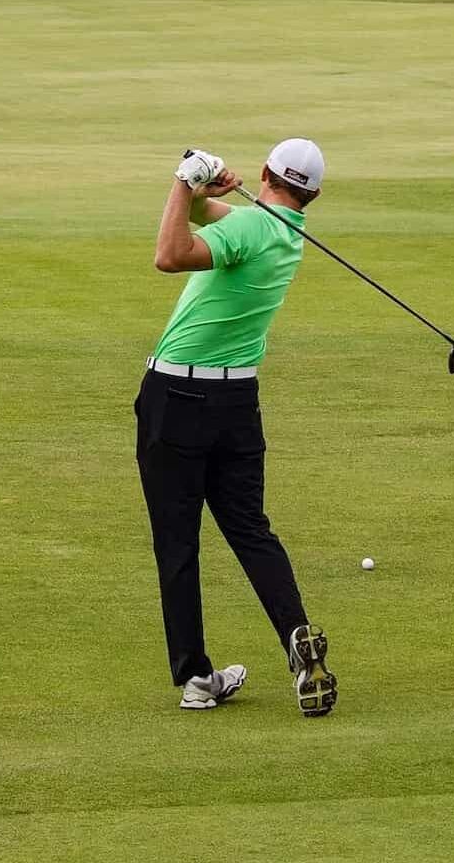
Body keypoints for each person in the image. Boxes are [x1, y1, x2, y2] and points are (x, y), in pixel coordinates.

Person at [140, 140, 336, 718]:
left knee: (177, 541)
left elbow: (170, 255)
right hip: (236, 401)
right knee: (251, 528)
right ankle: (295, 633)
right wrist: (204, 195)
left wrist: (181, 182)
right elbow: (212, 223)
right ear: (314, 195)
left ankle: (198, 677)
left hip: (176, 396)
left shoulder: (252, 230)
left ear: (269, 173)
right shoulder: (285, 233)